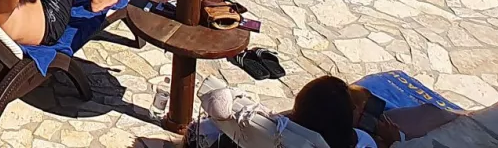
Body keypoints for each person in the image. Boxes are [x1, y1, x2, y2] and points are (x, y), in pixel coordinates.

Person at [194, 75, 460, 148]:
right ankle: (469, 116)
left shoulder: (276, 132)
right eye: (354, 109)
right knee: (431, 114)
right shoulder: (362, 141)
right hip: (376, 139)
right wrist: (395, 141)